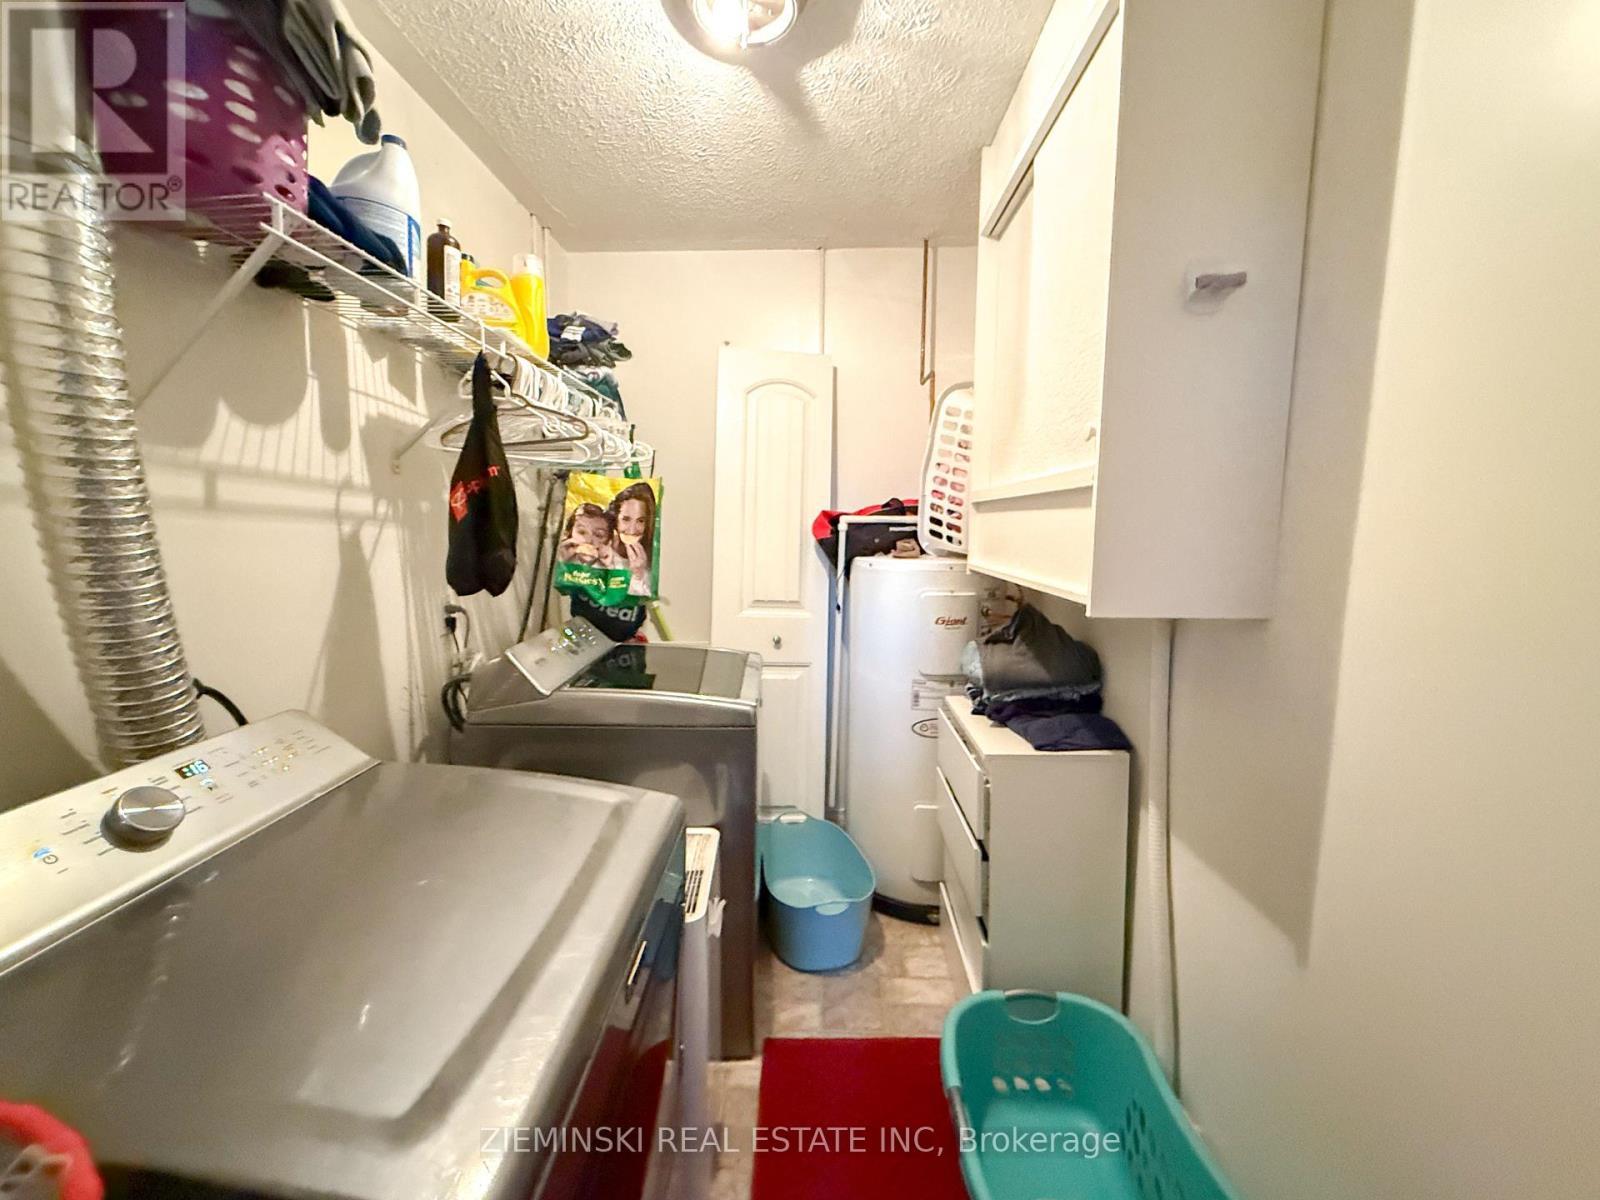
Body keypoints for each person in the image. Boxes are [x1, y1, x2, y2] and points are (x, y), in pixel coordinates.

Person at [608, 482, 657, 597]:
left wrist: (638, 575)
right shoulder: (600, 544)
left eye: (640, 521)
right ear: (615, 518)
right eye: (626, 519)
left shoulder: (652, 563)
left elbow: (641, 603)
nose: (632, 530)